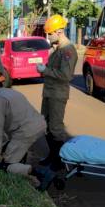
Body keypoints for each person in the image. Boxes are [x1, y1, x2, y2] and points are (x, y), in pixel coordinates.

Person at [0, 69, 55, 189]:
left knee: (7, 165)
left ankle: (41, 174)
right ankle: (26, 164)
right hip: (39, 124)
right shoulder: (11, 92)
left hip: (25, 131)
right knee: (14, 150)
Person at [36, 15, 78, 169]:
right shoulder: (56, 48)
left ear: (59, 32)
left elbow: (66, 76)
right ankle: (52, 156)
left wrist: (45, 70)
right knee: (45, 125)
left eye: (50, 34)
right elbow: (51, 69)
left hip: (58, 94)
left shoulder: (68, 50)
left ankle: (59, 160)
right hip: (48, 92)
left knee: (56, 128)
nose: (48, 37)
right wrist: (44, 68)